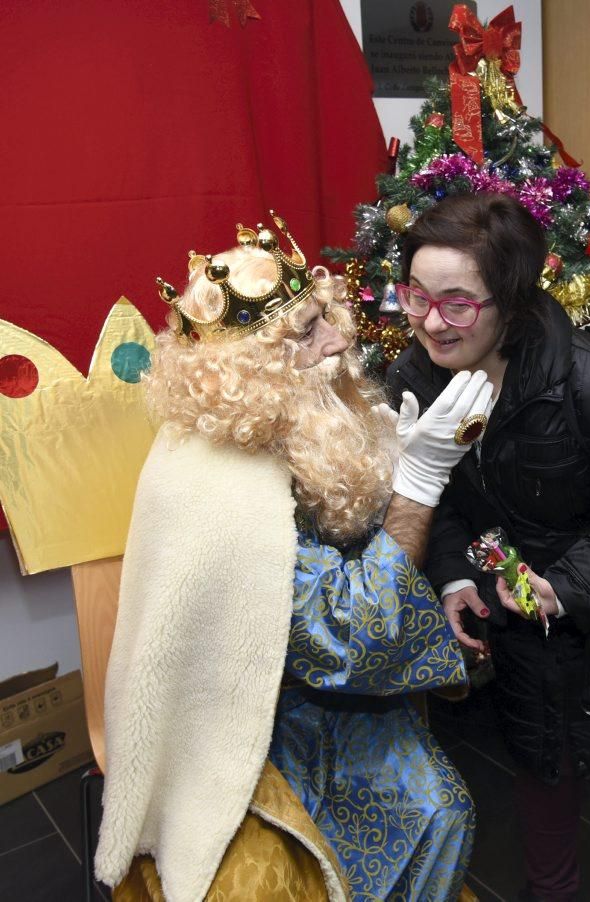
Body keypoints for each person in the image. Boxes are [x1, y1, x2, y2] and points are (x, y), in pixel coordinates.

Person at [94, 215, 493, 902]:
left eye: (326, 316)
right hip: (240, 719)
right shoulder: (223, 488)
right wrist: (417, 489)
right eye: (309, 331)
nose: (341, 337)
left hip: (326, 692)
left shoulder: (308, 415)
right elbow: (346, 638)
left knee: (439, 810)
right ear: (253, 368)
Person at [387, 193, 590, 902]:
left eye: (457, 303)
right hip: (524, 622)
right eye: (415, 296)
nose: (430, 322)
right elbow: (430, 500)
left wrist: (568, 585)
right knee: (540, 767)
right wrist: (451, 578)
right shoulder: (414, 377)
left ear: (507, 299)